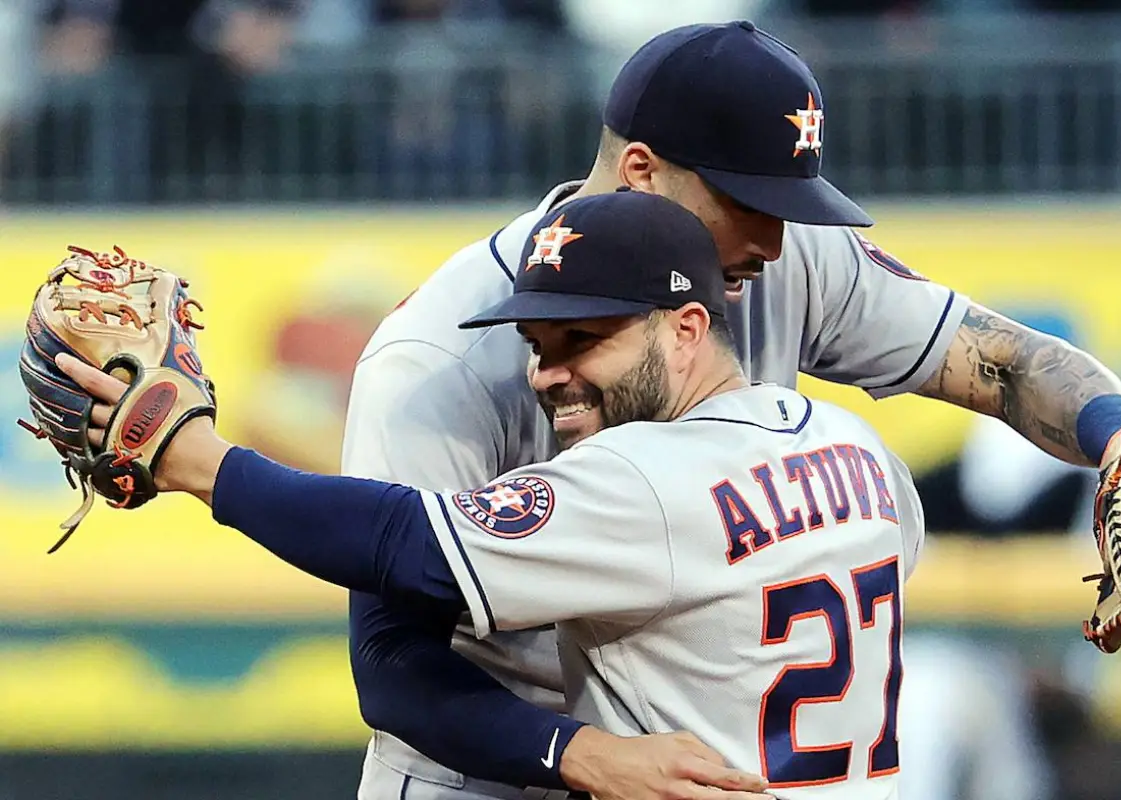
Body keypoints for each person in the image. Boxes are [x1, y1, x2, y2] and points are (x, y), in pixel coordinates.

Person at [336, 19, 1121, 800]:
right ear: (641, 174)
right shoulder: (441, 358)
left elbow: (999, 361)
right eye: (748, 202)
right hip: (489, 770)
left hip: (696, 757)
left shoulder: (779, 259)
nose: (775, 241)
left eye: (787, 206)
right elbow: (391, 664)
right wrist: (581, 753)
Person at [57, 189, 925, 800]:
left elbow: (406, 544)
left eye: (585, 339)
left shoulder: (644, 481)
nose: (550, 376)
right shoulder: (854, 447)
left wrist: (197, 461)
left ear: (688, 327)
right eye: (537, 345)